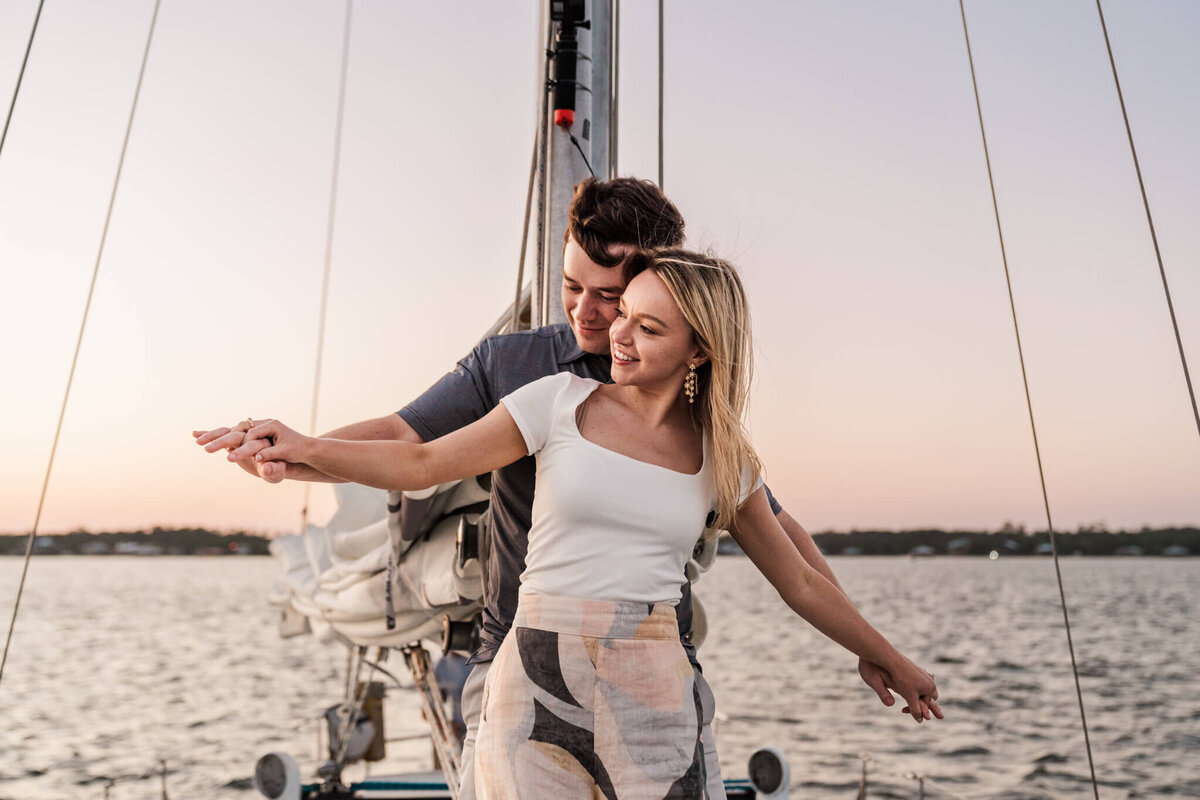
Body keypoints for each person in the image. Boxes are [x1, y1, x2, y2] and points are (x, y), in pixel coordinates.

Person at [194, 177, 910, 798]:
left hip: (652, 670)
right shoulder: (530, 376)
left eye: (616, 298)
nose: (592, 316)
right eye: (573, 289)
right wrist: (297, 453)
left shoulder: (708, 433)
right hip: (518, 652)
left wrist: (875, 648)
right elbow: (411, 447)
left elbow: (784, 546)